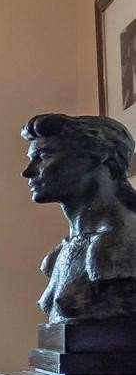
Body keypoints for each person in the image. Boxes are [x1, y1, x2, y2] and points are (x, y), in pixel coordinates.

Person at [21, 113, 136, 322]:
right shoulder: (59, 254)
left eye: (44, 156)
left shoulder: (122, 245)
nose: (28, 172)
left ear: (97, 155)